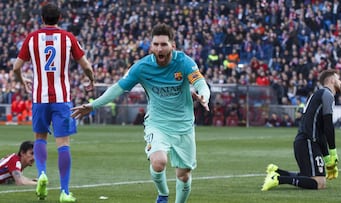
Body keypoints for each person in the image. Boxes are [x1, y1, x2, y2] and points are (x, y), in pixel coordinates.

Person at [71, 23, 210, 203]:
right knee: (158, 162)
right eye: (156, 44)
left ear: (172, 46)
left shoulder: (184, 62)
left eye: (164, 44)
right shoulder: (142, 67)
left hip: (183, 125)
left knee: (183, 175)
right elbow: (118, 88)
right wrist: (93, 105)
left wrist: (204, 96)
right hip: (157, 123)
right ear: (151, 46)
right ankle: (163, 195)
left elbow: (200, 83)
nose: (159, 48)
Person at [13, 3, 95, 202]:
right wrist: (91, 80)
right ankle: (65, 192)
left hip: (39, 98)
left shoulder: (32, 38)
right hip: (62, 99)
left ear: (42, 18)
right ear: (60, 18)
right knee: (63, 144)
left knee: (40, 138)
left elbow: (16, 68)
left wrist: (23, 81)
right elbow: (86, 65)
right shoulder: (68, 38)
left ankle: (41, 173)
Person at [261, 69, 341, 191]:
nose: (340, 82)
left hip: (306, 141)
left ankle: (277, 171)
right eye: (338, 79)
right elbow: (328, 126)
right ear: (331, 80)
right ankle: (277, 179)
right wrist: (333, 153)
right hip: (308, 141)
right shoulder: (327, 95)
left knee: (310, 178)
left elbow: (321, 130)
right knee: (319, 183)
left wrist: (327, 160)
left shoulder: (319, 94)